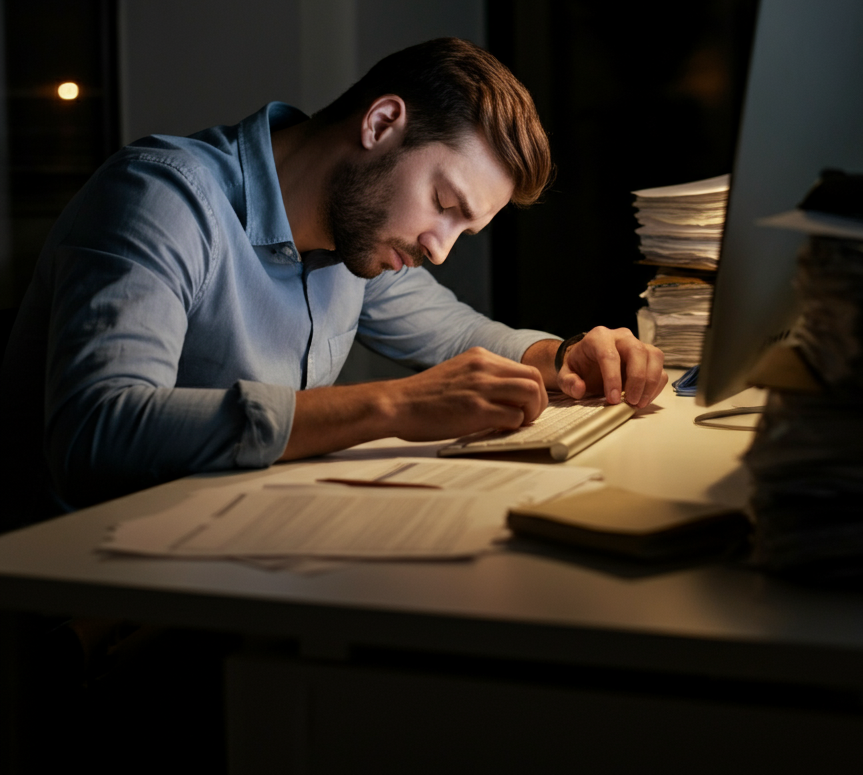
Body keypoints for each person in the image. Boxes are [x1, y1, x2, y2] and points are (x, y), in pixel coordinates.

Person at [0, 38, 665, 531]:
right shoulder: (163, 198)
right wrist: (389, 407)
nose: (439, 249)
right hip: (81, 600)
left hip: (229, 552)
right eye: (443, 203)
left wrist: (565, 356)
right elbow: (96, 432)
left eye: (464, 231)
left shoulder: (356, 244)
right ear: (379, 125)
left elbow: (456, 331)